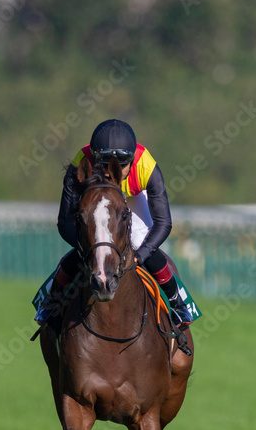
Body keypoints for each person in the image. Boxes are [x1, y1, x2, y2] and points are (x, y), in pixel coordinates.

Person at [35, 119, 201, 327]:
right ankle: (50, 301)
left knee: (140, 240)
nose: (109, 171)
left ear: (132, 160)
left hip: (133, 197)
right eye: (102, 164)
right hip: (96, 197)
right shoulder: (81, 163)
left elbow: (163, 223)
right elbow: (64, 221)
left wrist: (140, 256)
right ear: (93, 158)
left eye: (121, 165)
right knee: (90, 247)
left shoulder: (146, 166)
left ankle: (178, 302)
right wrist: (87, 247)